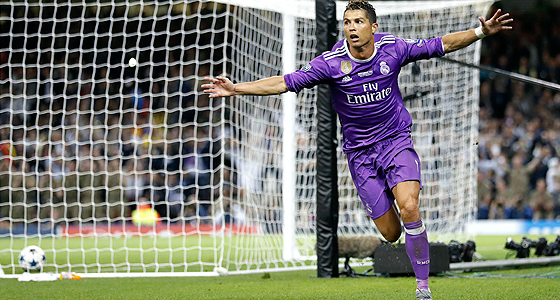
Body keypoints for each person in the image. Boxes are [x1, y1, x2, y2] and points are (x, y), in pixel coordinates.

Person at [202, 1, 512, 298]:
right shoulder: (331, 63)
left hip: (395, 143)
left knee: (411, 208)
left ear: (373, 27)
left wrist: (480, 32)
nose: (352, 27)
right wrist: (236, 89)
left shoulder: (393, 48)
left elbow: (439, 44)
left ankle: (422, 288)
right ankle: (390, 213)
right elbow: (284, 82)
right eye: (347, 22)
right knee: (391, 233)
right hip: (361, 157)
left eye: (359, 21)